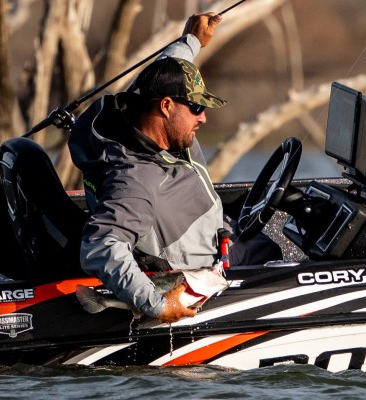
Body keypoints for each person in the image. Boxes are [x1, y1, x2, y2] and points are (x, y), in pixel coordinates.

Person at [69, 13, 282, 324]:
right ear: (166, 106)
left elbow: (163, 70)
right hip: (200, 273)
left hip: (221, 236)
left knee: (268, 247)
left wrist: (191, 41)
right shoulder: (135, 181)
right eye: (196, 107)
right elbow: (101, 246)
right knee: (279, 265)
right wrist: (156, 305)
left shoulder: (138, 111)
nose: (203, 117)